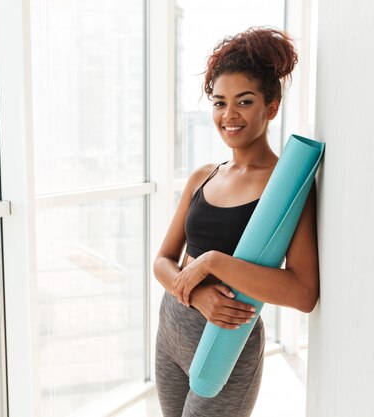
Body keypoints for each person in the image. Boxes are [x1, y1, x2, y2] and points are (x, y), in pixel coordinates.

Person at [153, 27, 320, 417]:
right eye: (219, 102)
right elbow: (162, 261)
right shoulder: (203, 176)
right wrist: (197, 295)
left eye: (244, 101)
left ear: (271, 107)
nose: (229, 115)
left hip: (227, 344)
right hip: (172, 331)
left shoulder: (287, 189)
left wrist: (212, 262)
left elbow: (303, 292)